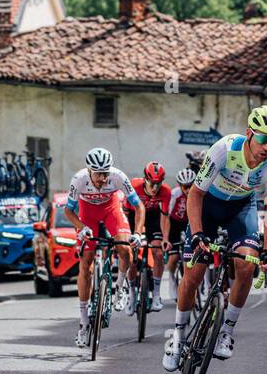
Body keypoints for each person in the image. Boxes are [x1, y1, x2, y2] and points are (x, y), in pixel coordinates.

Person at [163, 105, 267, 370]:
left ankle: (227, 331)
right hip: (208, 206)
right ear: (249, 134)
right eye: (264, 138)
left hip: (241, 209)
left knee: (246, 265)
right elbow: (195, 194)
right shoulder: (225, 149)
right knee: (194, 272)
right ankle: (177, 334)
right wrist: (197, 234)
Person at [66, 148, 143, 348]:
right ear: (89, 171)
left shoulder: (118, 177)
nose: (102, 178)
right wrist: (81, 228)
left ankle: (120, 286)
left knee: (125, 248)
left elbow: (138, 206)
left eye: (105, 173)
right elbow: (68, 210)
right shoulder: (79, 179)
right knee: (86, 263)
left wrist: (138, 233)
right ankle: (83, 324)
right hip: (87, 214)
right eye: (98, 173)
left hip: (111, 210)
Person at [123, 162, 171, 314]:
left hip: (153, 217)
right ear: (145, 179)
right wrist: (124, 235)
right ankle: (131, 294)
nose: (155, 188)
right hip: (133, 215)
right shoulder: (133, 187)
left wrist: (165, 238)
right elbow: (124, 214)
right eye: (152, 184)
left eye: (159, 184)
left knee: (157, 252)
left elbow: (164, 217)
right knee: (130, 255)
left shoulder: (165, 192)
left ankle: (156, 293)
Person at [165, 168, 195, 301]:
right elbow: (166, 216)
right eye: (185, 187)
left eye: (191, 186)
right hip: (174, 224)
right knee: (173, 258)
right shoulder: (175, 194)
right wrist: (166, 238)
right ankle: (172, 279)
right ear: (180, 186)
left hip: (189, 222)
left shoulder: (197, 193)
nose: (188, 190)